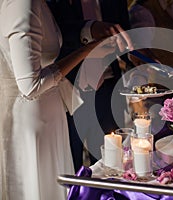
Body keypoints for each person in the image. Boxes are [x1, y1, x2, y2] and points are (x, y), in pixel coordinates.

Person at [0, 0, 131, 199]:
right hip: (35, 117)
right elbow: (30, 86)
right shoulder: (23, 4)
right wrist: (87, 51)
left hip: (51, 112)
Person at [47, 0, 133, 171]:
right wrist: (90, 29)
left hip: (107, 90)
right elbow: (54, 31)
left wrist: (134, 56)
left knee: (110, 165)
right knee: (70, 164)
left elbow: (125, 34)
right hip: (68, 88)